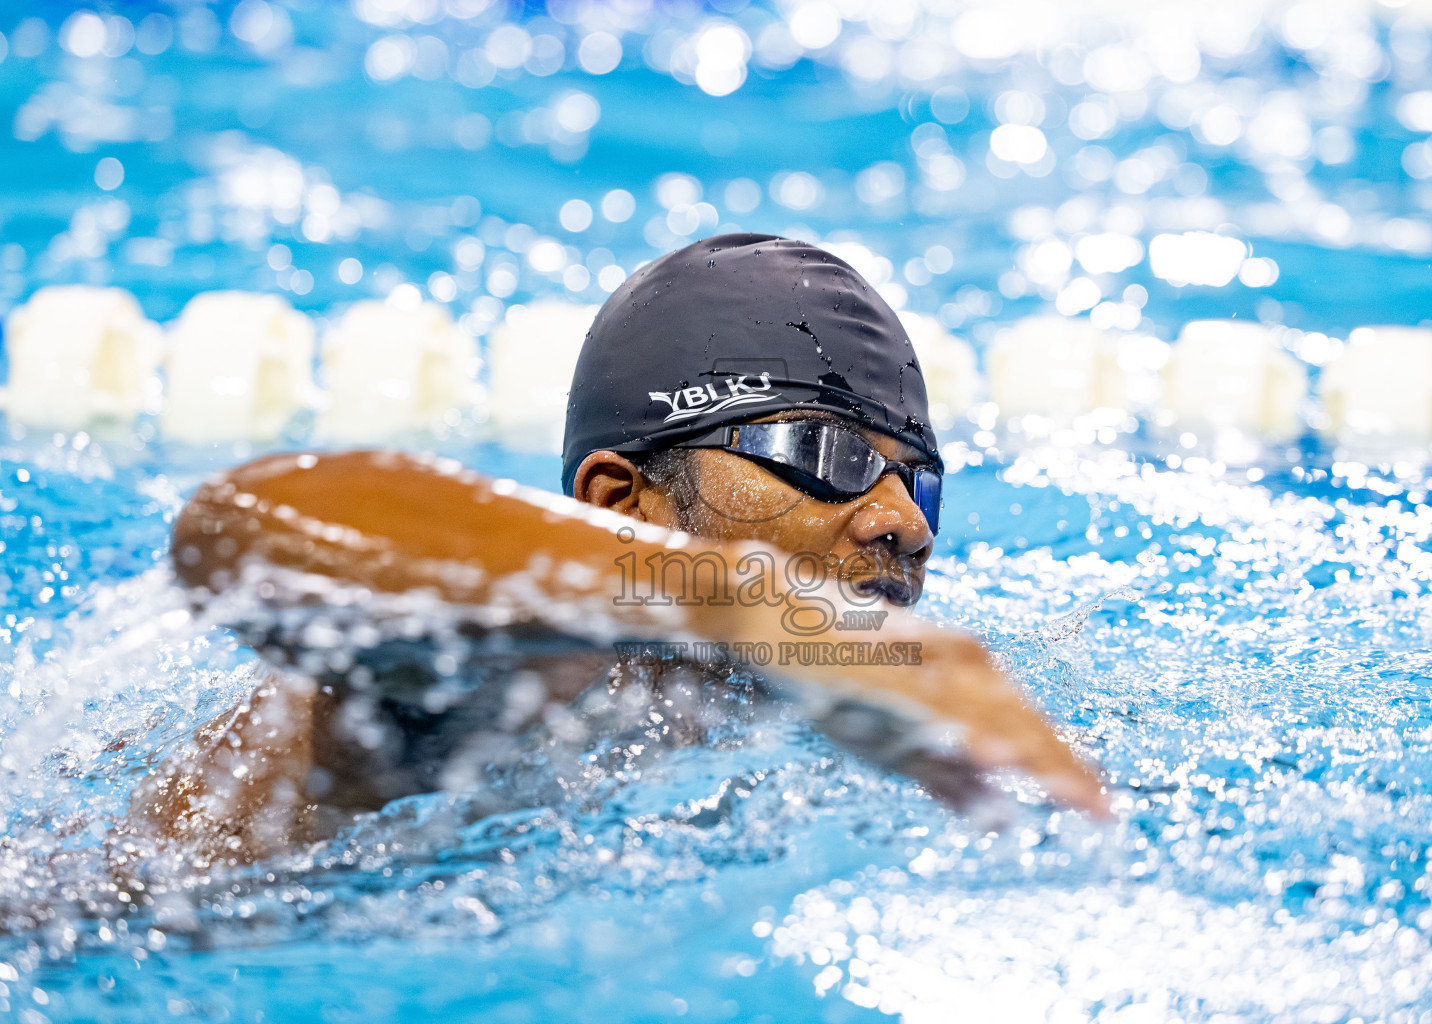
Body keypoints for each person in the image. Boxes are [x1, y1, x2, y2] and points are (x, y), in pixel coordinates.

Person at [129, 234, 1107, 865]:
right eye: (822, 452)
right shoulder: (490, 663)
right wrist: (749, 605)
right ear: (620, 502)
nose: (904, 521)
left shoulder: (815, 715)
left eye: (917, 479)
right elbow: (245, 523)